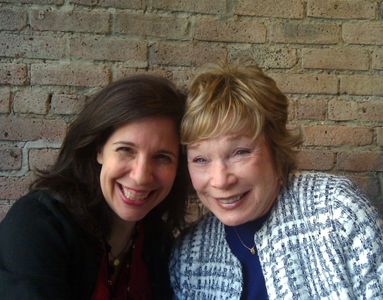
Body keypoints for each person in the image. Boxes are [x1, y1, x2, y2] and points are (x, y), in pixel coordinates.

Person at [169, 63, 383, 299]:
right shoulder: (189, 255)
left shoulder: (336, 211)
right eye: (200, 159)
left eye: (240, 152)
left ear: (275, 148)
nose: (220, 180)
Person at [0, 74, 188, 299]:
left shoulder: (158, 242)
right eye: (126, 150)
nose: (140, 177)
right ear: (99, 149)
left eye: (162, 157)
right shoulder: (36, 225)